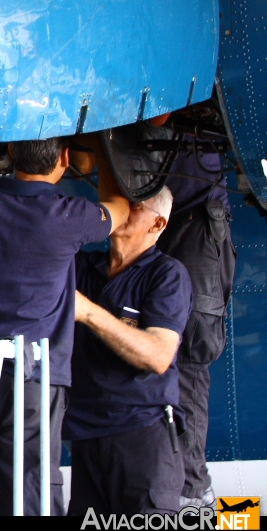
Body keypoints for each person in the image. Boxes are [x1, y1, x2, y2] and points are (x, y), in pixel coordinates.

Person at [0, 136, 130, 516]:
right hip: (34, 379)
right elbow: (120, 208)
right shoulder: (70, 214)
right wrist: (105, 148)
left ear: (9, 153)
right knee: (30, 485)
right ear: (65, 158)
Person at [66, 186, 191, 514]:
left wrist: (90, 313)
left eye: (134, 206)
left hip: (142, 435)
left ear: (157, 224)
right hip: (85, 434)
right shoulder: (82, 267)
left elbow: (158, 356)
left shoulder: (166, 275)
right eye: (116, 202)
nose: (119, 210)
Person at [156, 133, 237, 509]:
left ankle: (193, 493)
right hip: (191, 231)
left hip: (197, 232)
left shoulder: (186, 119)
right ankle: (190, 489)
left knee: (188, 361)